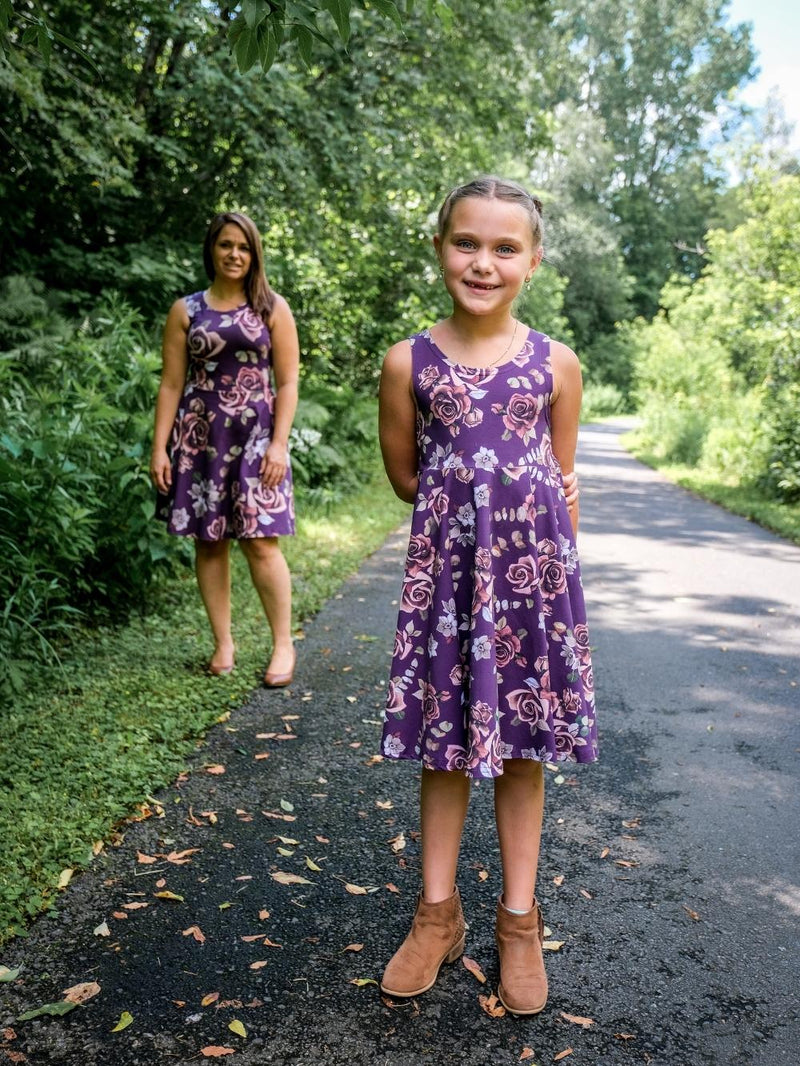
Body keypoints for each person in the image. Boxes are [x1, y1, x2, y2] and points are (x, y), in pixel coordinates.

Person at [377, 177, 598, 1015]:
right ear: (441, 248)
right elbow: (407, 477)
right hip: (449, 592)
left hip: (531, 593)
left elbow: (561, 480)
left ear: (532, 262)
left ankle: (518, 922)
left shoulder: (556, 364)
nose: (483, 261)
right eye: (467, 242)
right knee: (444, 747)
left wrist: (556, 598)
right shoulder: (409, 362)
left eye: (505, 248)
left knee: (520, 752)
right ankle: (438, 917)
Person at [151, 211, 299, 687]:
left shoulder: (271, 307)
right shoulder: (186, 310)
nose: (235, 254)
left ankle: (282, 644)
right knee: (209, 540)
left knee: (261, 541)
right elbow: (172, 384)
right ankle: (224, 643)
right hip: (200, 438)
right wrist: (160, 449)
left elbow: (290, 380)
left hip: (257, 437)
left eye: (244, 247)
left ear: (254, 254)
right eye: (226, 245)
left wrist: (279, 444)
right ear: (212, 250)